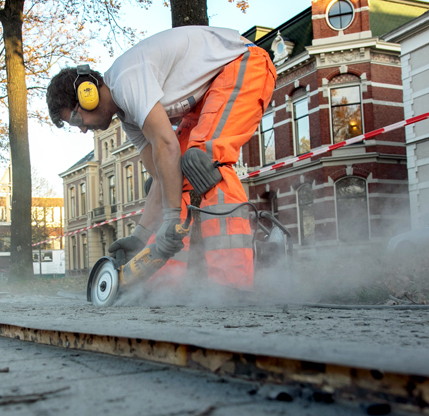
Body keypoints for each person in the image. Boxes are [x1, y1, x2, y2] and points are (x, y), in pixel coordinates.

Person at [46, 26, 276, 290]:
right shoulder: (129, 119)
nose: (83, 129)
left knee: (204, 162)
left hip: (244, 65)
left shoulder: (126, 79)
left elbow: (167, 144)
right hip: (212, 90)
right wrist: (140, 236)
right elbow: (160, 175)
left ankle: (232, 283)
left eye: (76, 119)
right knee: (174, 179)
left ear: (87, 93)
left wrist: (169, 218)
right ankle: (167, 287)